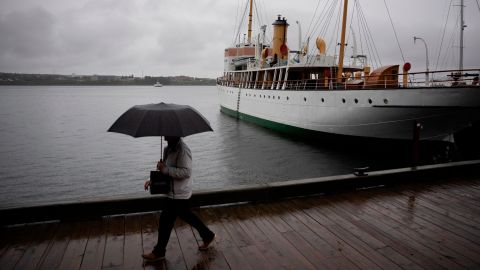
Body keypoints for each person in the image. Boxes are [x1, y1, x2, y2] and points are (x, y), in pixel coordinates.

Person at [142, 136, 215, 262]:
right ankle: (208, 235)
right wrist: (152, 180)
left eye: (167, 134)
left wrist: (165, 169)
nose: (164, 136)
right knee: (187, 216)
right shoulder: (167, 149)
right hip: (172, 192)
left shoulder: (183, 150)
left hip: (180, 193)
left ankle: (159, 252)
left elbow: (186, 172)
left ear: (174, 134)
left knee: (165, 221)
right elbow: (164, 171)